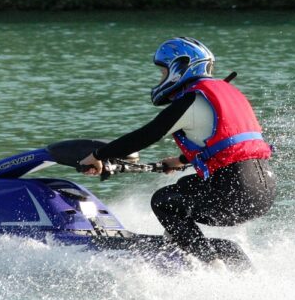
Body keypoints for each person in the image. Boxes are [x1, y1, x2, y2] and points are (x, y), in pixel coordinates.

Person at [79, 37, 276, 262]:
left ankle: (207, 263)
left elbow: (146, 135)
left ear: (179, 67)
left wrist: (97, 156)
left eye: (163, 72)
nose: (161, 78)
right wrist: (182, 160)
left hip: (233, 192)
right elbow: (229, 144)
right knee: (184, 187)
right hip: (263, 191)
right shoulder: (227, 94)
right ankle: (201, 249)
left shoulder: (191, 99)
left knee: (164, 201)